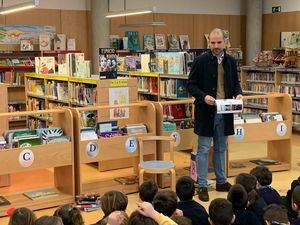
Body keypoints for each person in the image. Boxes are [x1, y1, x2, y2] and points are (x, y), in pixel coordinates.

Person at [187, 27, 242, 201]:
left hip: (224, 112)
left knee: (221, 148)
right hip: (206, 112)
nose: (216, 46)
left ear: (225, 42)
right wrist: (204, 97)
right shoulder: (200, 61)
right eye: (212, 42)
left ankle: (221, 180)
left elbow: (235, 83)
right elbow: (191, 85)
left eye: (219, 42)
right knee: (203, 149)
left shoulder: (231, 61)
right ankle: (202, 184)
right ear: (208, 42)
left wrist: (239, 93)